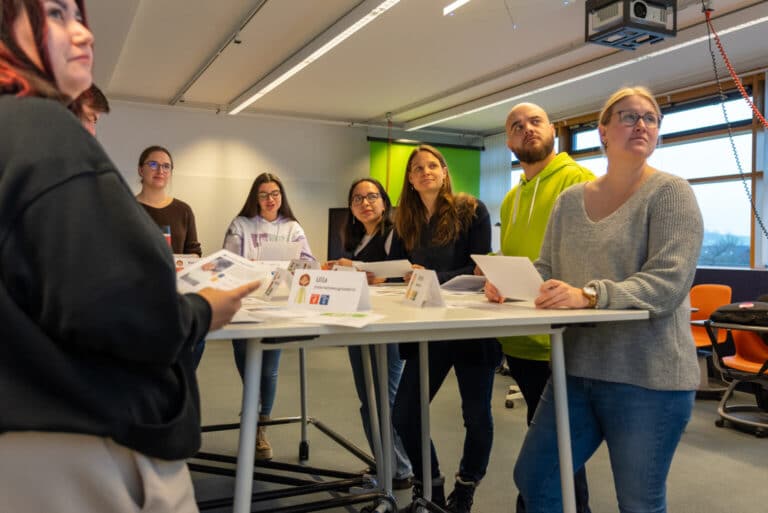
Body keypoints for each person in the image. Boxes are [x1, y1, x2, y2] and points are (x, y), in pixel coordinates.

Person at [0, 1, 258, 511]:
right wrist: (205, 310)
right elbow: (126, 313)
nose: (84, 35)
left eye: (81, 17)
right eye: (54, 14)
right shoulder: (42, 130)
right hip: (87, 446)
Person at [490, 86, 703, 513]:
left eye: (650, 118)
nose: (641, 124)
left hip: (647, 376)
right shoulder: (570, 202)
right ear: (603, 131)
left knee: (638, 503)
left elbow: (668, 283)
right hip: (577, 370)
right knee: (535, 477)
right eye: (628, 116)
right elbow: (548, 269)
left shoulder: (670, 193)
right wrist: (513, 283)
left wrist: (589, 296)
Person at [489, 102, 595, 513]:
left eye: (535, 122)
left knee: (559, 449)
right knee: (546, 439)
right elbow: (516, 257)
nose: (527, 129)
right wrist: (496, 281)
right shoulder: (512, 198)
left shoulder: (578, 180)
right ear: (509, 141)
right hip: (519, 340)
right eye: (517, 126)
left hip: (559, 336)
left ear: (552, 129)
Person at [390, 145, 501, 513]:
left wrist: (430, 278)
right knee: (404, 412)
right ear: (409, 178)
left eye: (432, 165)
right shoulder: (406, 220)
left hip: (471, 326)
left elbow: (478, 269)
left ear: (444, 171)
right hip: (429, 327)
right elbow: (403, 271)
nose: (425, 172)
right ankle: (430, 486)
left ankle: (466, 487)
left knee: (477, 416)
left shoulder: (472, 210)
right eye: (417, 168)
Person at [325, 177, 414, 489]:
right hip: (359, 321)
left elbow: (401, 274)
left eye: (372, 196)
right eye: (358, 199)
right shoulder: (355, 238)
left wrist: (358, 270)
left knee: (386, 401)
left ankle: (400, 471)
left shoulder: (395, 233)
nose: (365, 203)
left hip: (386, 326)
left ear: (384, 201)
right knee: (368, 400)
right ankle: (385, 464)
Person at [223, 172, 315, 460]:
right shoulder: (240, 225)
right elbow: (226, 263)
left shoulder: (292, 228)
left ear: (281, 197)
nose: (270, 199)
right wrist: (247, 265)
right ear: (255, 197)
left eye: (275, 193)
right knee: (250, 368)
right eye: (263, 194)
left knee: (269, 371)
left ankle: (260, 425)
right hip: (245, 306)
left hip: (278, 306)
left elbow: (310, 263)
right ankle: (252, 414)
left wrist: (296, 266)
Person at [135, 145, 202, 257]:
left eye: (166, 166)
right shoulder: (126, 208)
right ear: (141, 170)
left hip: (175, 275)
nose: (160, 170)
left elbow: (194, 252)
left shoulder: (183, 210)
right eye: (153, 164)